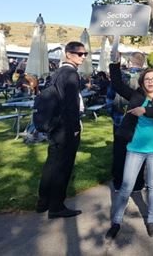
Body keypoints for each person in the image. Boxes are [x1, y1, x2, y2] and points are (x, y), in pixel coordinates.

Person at [105, 56, 153, 239]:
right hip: (135, 148)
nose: (150, 81)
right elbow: (118, 84)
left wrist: (146, 111)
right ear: (142, 82)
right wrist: (115, 63)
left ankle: (151, 220)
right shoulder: (136, 96)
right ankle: (116, 222)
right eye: (147, 79)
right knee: (126, 187)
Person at [36, 41, 86, 219]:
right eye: (78, 54)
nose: (82, 57)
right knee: (63, 167)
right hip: (65, 127)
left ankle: (43, 201)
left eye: (84, 54)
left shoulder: (57, 72)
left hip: (54, 125)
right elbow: (70, 106)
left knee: (52, 164)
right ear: (68, 54)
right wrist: (74, 130)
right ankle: (56, 206)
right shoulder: (71, 74)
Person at [107, 52, 146, 191]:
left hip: (120, 119)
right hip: (140, 120)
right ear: (142, 62)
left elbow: (110, 97)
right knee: (139, 152)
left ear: (130, 62)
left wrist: (114, 115)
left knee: (119, 152)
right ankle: (138, 183)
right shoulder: (147, 78)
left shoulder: (120, 76)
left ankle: (118, 182)